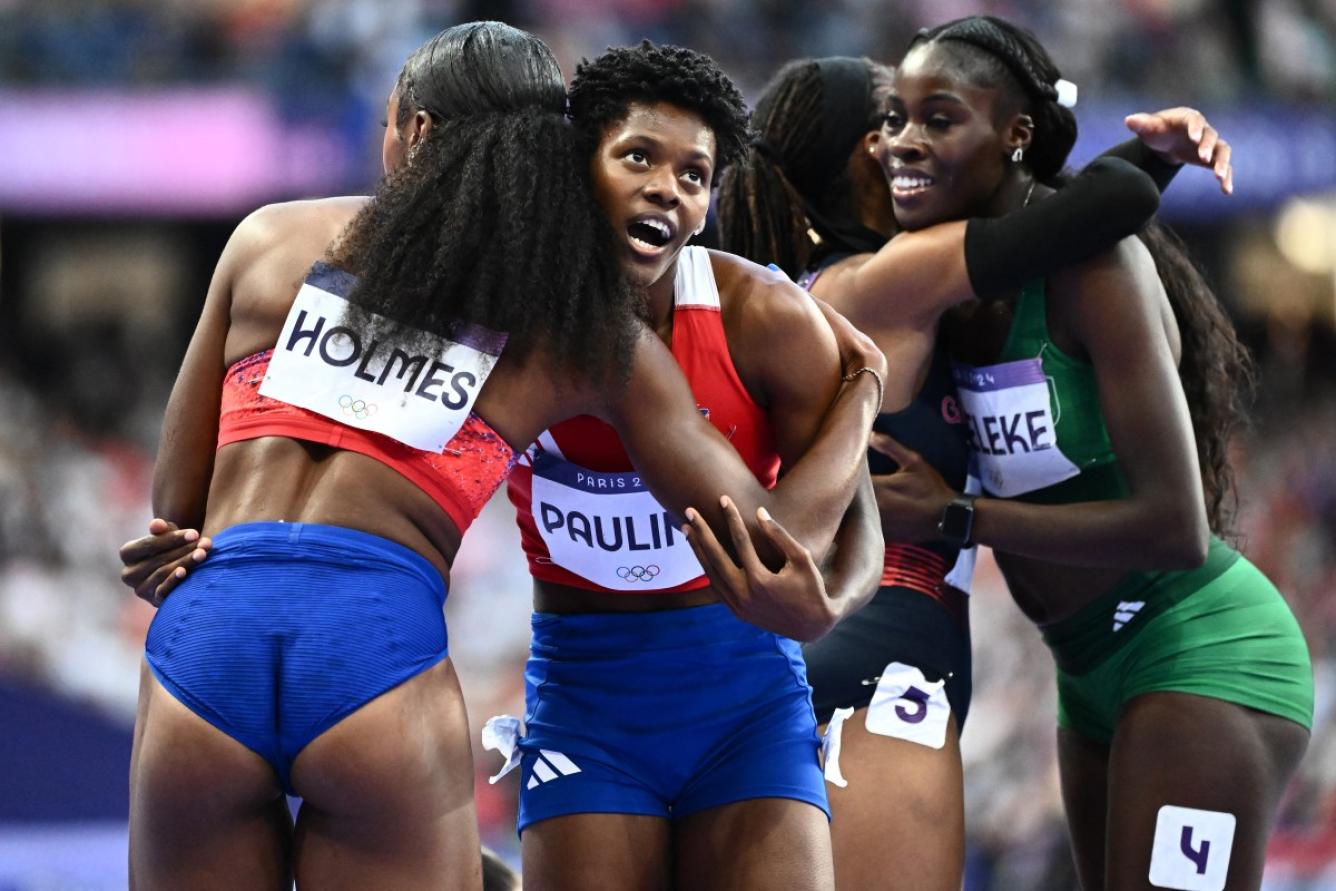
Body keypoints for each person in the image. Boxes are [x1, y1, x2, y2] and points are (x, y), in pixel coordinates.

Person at [125, 21, 884, 891]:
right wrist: (865, 388)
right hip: (374, 654)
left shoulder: (264, 238)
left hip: (209, 635)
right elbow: (768, 545)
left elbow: (173, 506)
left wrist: (181, 546)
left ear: (412, 129)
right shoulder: (572, 322)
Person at [711, 51, 1233, 891]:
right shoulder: (891, 280)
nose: (911, 138)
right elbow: (1101, 210)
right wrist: (1149, 152)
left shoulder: (791, 291)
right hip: (887, 660)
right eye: (891, 122)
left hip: (804, 653)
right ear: (860, 159)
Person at [862, 16, 1310, 891]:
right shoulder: (939, 287)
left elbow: (1178, 526)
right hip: (1083, 671)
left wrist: (961, 516)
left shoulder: (1097, 274)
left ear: (1014, 134)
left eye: (939, 118)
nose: (904, 141)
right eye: (895, 116)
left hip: (1197, 649)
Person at [499, 42, 882, 891]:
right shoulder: (510, 325)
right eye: (638, 155)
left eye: (695, 174)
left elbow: (856, 518)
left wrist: (837, 603)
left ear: (708, 205)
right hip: (584, 693)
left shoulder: (766, 318)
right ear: (580, 170)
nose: (667, 186)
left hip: (745, 697)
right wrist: (866, 390)